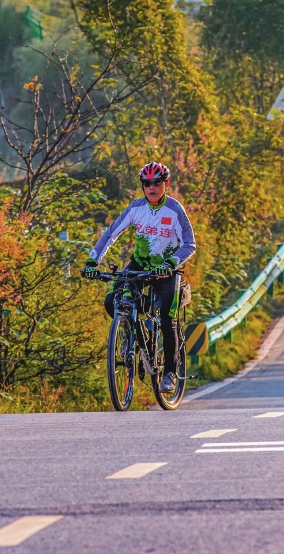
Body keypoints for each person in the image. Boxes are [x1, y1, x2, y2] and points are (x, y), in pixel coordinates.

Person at [82, 162, 196, 394]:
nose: (152, 187)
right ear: (142, 186)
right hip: (140, 265)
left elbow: (189, 245)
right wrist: (93, 261)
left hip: (167, 269)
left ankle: (170, 373)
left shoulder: (175, 210)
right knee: (111, 300)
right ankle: (131, 329)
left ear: (166, 184)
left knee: (167, 318)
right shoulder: (136, 208)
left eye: (157, 183)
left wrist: (171, 262)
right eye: (147, 183)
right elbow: (110, 234)